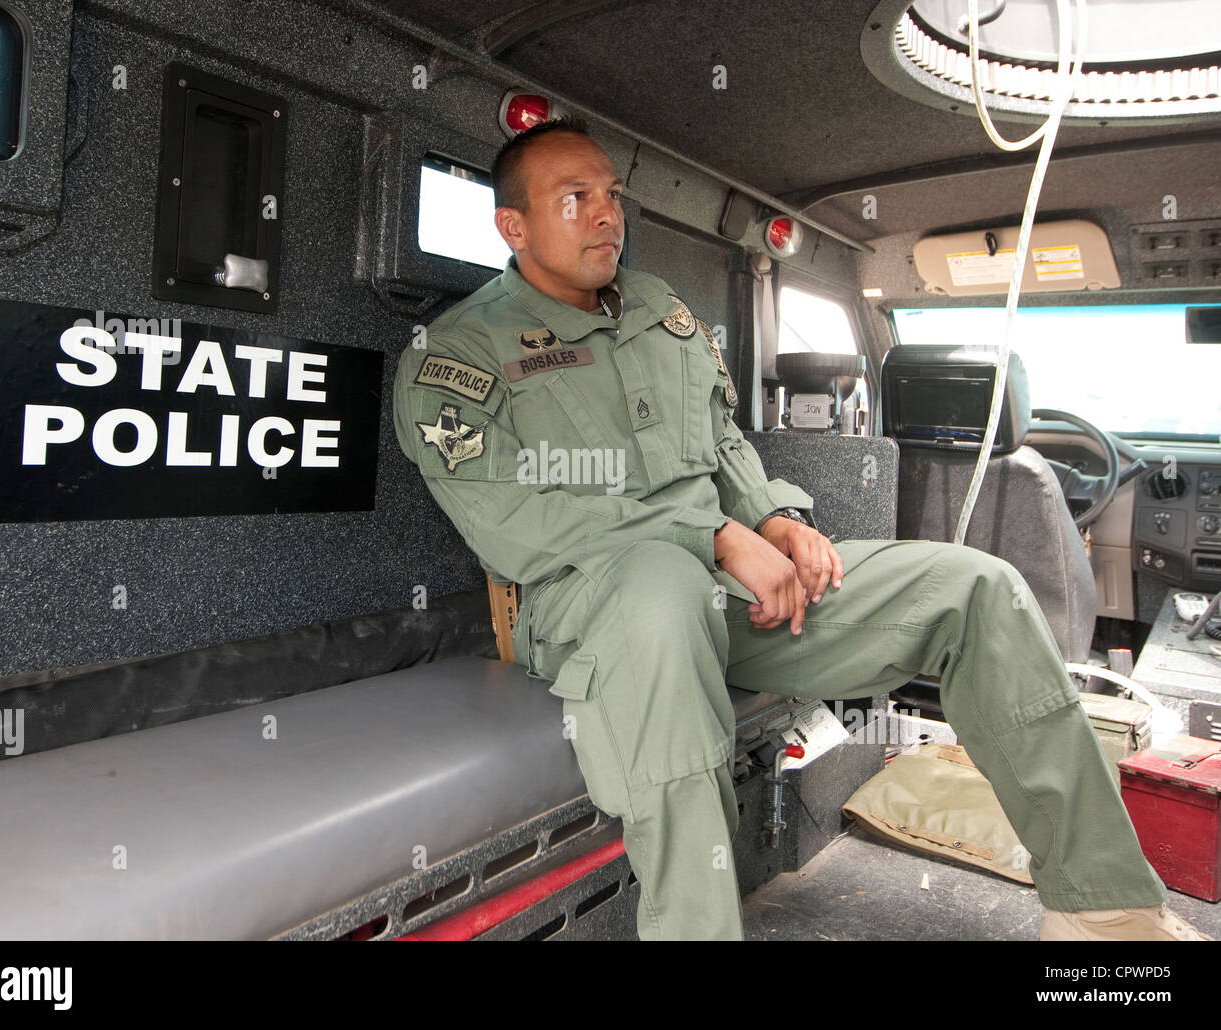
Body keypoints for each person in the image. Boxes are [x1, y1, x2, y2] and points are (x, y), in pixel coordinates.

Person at [391, 116, 1209, 942]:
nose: (608, 215)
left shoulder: (658, 310)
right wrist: (712, 538)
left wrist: (776, 518)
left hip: (725, 587)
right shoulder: (458, 354)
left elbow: (718, 444)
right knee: (659, 592)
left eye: (612, 194)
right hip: (586, 612)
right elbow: (514, 521)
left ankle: (1103, 909)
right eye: (576, 199)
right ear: (514, 226)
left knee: (978, 590)